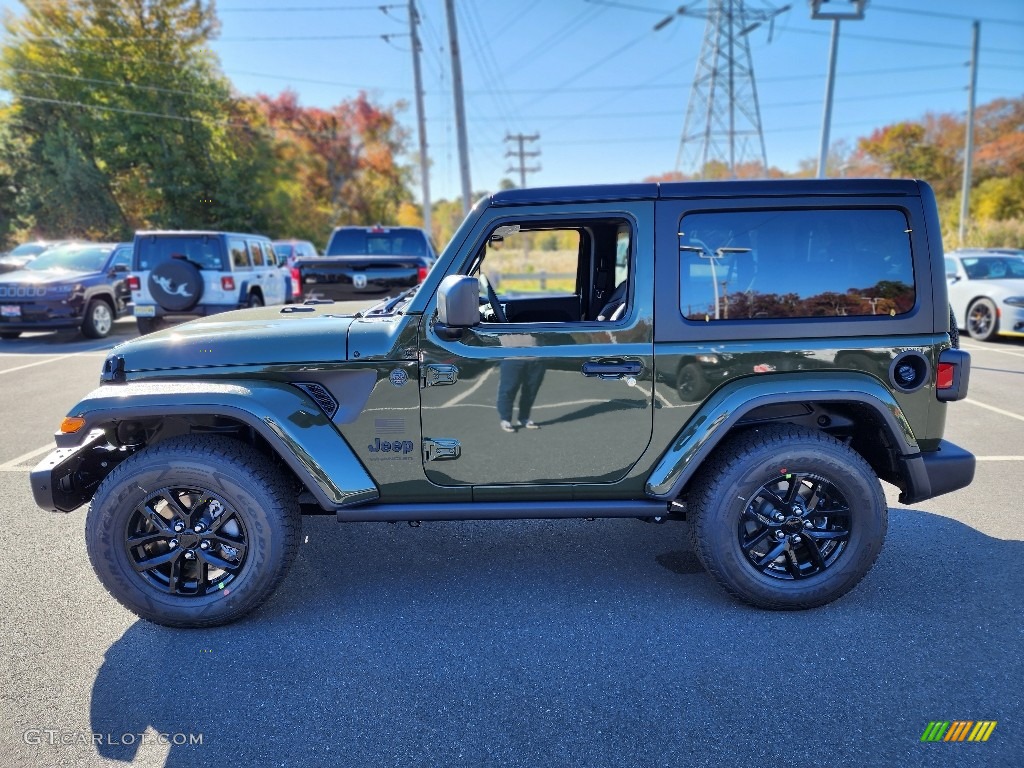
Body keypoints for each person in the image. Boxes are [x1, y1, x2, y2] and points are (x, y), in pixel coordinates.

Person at [497, 358, 545, 432]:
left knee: (531, 390)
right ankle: (505, 420)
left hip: (536, 359)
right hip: (512, 358)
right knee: (508, 390)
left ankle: (524, 418)